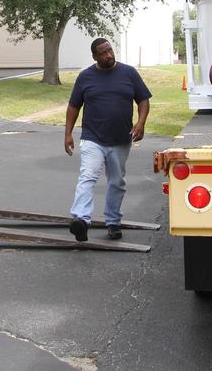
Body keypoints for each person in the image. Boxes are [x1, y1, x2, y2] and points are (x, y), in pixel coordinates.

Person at [64, 37, 151, 242]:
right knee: (88, 176)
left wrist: (140, 123)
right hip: (93, 137)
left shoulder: (128, 73)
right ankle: (81, 220)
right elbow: (73, 106)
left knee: (116, 182)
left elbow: (143, 99)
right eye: (103, 53)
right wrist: (68, 133)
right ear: (95, 56)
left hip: (121, 139)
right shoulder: (85, 77)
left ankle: (113, 222)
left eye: (110, 50)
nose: (108, 55)